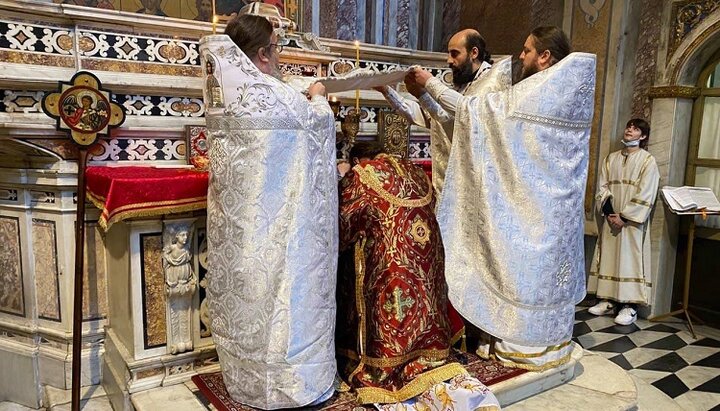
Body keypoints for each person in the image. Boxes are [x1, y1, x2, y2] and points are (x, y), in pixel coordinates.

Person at [406, 26, 596, 370]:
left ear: (544, 57)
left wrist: (429, 85)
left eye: (526, 51)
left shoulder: (540, 91)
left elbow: (476, 113)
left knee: (526, 274)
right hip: (552, 207)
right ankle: (547, 344)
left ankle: (525, 345)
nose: (519, 57)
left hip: (536, 207)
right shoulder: (561, 90)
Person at [200, 14, 338, 409]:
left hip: (241, 227)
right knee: (282, 303)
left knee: (249, 303)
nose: (277, 56)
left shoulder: (224, 88)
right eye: (275, 48)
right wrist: (319, 94)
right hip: (278, 232)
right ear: (262, 53)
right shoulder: (274, 97)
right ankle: (292, 387)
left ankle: (245, 382)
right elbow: (316, 121)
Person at [336, 142, 498, 409]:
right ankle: (428, 357)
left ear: (357, 160)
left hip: (388, 271)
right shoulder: (415, 171)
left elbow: (340, 230)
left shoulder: (362, 174)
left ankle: (387, 364)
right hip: (427, 268)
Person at [375, 29, 493, 198]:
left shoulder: (490, 84)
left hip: (475, 186)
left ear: (474, 52)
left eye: (455, 54)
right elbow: (432, 118)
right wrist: (387, 91)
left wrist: (428, 85)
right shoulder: (463, 84)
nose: (449, 60)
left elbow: (456, 120)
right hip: (452, 182)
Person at [588, 119, 659, 325]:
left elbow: (647, 192)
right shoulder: (611, 159)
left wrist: (624, 216)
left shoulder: (648, 161)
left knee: (630, 260)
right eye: (628, 127)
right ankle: (607, 300)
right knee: (609, 256)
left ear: (643, 136)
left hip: (631, 222)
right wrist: (610, 214)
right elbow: (602, 187)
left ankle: (630, 306)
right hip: (612, 220)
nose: (630, 130)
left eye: (636, 129)